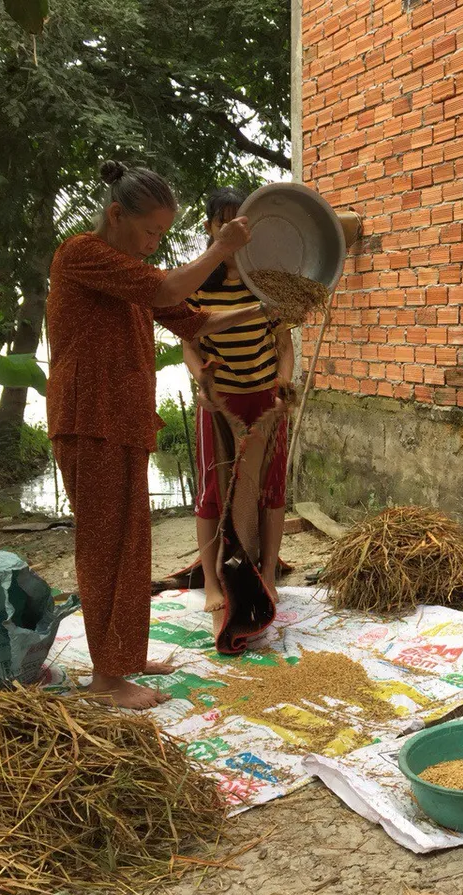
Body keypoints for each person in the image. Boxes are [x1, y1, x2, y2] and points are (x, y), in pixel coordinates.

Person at [46, 161, 273, 709]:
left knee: (130, 542)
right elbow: (172, 284)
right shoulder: (82, 254)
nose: (154, 244)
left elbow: (193, 317)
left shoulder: (127, 272)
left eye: (162, 236)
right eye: (150, 232)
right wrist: (221, 247)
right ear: (115, 214)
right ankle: (106, 681)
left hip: (120, 423)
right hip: (89, 422)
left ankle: (122, 657)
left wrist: (264, 308)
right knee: (105, 548)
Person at [182, 187, 295, 630]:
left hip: (266, 401)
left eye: (239, 224)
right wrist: (201, 381)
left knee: (270, 487)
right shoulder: (196, 287)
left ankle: (266, 573)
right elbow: (190, 346)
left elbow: (283, 345)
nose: (231, 232)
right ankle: (212, 581)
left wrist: (284, 381)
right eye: (221, 223)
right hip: (220, 402)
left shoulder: (267, 281)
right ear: (210, 229)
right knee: (214, 489)